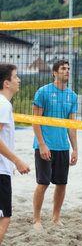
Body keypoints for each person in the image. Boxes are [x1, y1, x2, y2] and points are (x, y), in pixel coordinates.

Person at [32, 60, 78, 230]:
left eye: (68, 69)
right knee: (43, 183)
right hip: (45, 146)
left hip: (62, 147)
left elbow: (72, 126)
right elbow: (35, 122)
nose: (67, 71)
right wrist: (42, 145)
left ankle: (55, 217)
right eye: (63, 69)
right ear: (54, 72)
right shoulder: (43, 92)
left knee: (61, 183)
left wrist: (75, 149)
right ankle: (36, 219)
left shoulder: (72, 95)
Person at [0, 63, 31, 243]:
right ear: (6, 83)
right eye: (15, 76)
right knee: (4, 218)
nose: (19, 80)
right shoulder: (3, 105)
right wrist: (16, 161)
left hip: (3, 168)